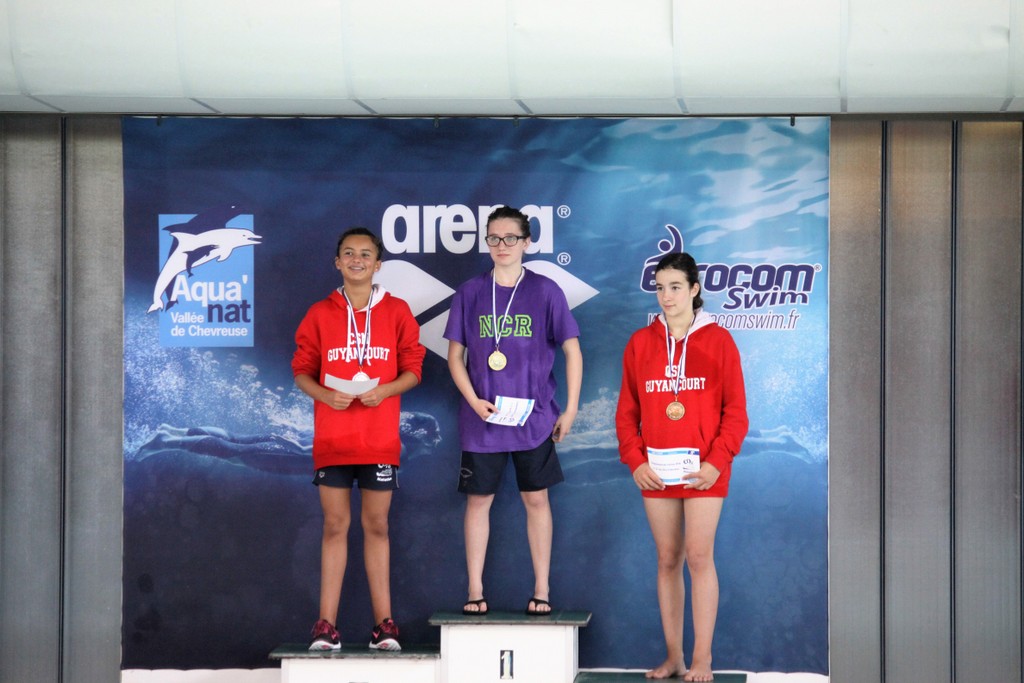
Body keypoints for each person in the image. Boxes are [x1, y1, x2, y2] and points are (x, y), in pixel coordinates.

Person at [444, 205, 582, 617]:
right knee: (478, 502)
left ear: (526, 242)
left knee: (536, 500)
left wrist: (571, 409)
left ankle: (542, 589)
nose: (501, 245)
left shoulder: (545, 291)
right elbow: (454, 357)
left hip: (533, 419)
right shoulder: (470, 292)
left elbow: (573, 351)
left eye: (510, 238)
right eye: (493, 238)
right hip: (482, 419)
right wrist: (473, 400)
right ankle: (475, 590)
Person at [615, 252, 748, 682]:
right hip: (656, 470)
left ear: (694, 289)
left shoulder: (719, 341)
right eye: (659, 288)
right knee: (667, 557)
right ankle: (674, 657)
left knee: (698, 555)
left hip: (705, 470)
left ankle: (702, 659)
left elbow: (736, 414)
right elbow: (626, 412)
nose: (666, 296)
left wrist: (717, 462)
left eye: (675, 287)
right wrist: (635, 461)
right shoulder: (640, 343)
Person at [292, 227, 425, 652]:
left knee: (377, 526)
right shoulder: (320, 313)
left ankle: (384, 626)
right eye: (348, 253)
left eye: (365, 254)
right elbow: (301, 370)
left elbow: (414, 368)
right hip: (333, 440)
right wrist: (324, 394)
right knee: (334, 526)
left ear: (378, 264)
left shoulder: (397, 311)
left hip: (378, 440)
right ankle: (325, 626)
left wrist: (385, 390)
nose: (357, 260)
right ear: (337, 262)